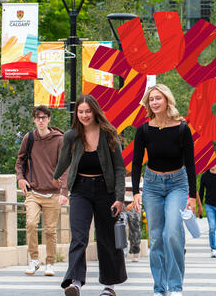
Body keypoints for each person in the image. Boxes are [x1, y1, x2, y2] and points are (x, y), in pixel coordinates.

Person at [53, 95, 127, 296]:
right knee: (78, 236)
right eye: (80, 111)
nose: (84, 115)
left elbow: (119, 169)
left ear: (95, 111)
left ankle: (109, 286)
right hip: (80, 190)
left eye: (87, 111)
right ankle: (75, 282)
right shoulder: (71, 136)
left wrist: (119, 197)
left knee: (107, 237)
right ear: (76, 113)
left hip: (106, 190)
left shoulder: (109, 134)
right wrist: (54, 178)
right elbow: (63, 161)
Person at [131, 84, 197, 296]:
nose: (155, 102)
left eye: (158, 98)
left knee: (172, 234)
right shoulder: (143, 130)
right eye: (151, 99)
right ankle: (160, 288)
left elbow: (191, 164)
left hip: (177, 184)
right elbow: (136, 162)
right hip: (152, 186)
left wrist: (193, 196)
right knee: (157, 238)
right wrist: (136, 192)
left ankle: (175, 286)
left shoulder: (182, 128)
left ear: (167, 100)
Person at [15, 105, 67, 277]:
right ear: (34, 120)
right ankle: (34, 260)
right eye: (38, 118)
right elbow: (20, 162)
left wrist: (64, 191)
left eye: (44, 117)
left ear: (49, 119)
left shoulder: (59, 139)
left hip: (53, 193)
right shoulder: (29, 138)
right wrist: (20, 179)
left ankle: (50, 263)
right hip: (33, 191)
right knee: (30, 223)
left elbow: (65, 165)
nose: (41, 121)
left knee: (50, 230)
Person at [123, 192, 143, 263]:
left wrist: (133, 203)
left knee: (135, 230)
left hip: (135, 203)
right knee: (121, 228)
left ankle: (135, 252)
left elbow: (141, 189)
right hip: (121, 202)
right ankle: (122, 252)